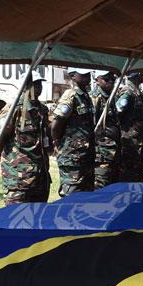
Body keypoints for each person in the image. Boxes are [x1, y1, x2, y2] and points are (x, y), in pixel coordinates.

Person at [0, 74, 52, 204]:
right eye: (35, 84)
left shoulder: (42, 110)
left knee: (40, 214)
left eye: (40, 84)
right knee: (17, 215)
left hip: (40, 177)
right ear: (25, 87)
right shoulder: (14, 109)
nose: (39, 88)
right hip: (18, 179)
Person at [52, 68, 96, 196]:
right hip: (72, 156)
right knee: (72, 193)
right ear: (73, 76)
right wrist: (57, 142)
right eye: (83, 74)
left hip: (85, 155)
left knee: (86, 194)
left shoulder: (85, 96)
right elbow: (56, 124)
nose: (87, 76)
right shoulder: (71, 95)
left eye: (88, 73)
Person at [90, 71, 121, 189]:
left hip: (113, 149)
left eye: (113, 79)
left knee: (114, 185)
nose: (111, 82)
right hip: (101, 152)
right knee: (102, 185)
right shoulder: (94, 98)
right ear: (97, 80)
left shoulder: (112, 96)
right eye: (106, 79)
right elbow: (92, 127)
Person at [114, 72, 143, 183]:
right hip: (129, 140)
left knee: (137, 171)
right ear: (138, 76)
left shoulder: (136, 92)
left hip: (137, 139)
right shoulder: (128, 92)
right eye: (142, 74)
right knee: (129, 172)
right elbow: (117, 111)